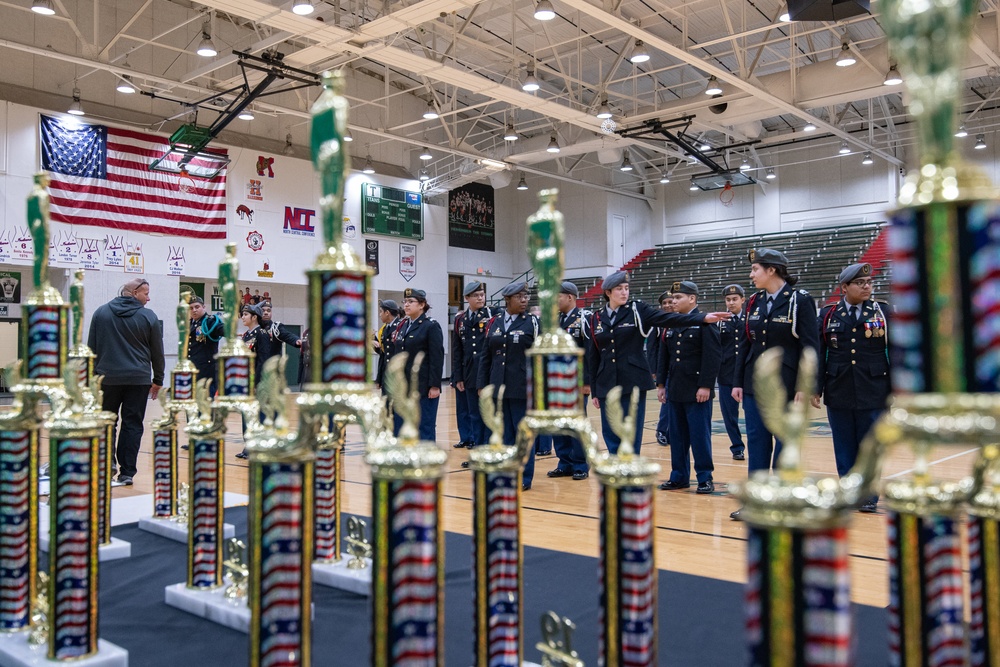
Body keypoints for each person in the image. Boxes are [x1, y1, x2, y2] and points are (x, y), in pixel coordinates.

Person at [588, 271, 730, 456]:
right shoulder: (596, 318)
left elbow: (668, 319)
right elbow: (594, 356)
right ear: (608, 292)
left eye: (626, 288)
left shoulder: (637, 310)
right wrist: (594, 389)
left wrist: (701, 318)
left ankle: (631, 474)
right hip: (606, 382)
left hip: (633, 381)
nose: (624, 293)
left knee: (631, 432)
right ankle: (615, 472)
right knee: (610, 431)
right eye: (619, 289)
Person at [731, 248, 819, 520]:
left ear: (772, 270)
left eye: (755, 269)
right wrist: (737, 382)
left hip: (787, 384)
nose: (751, 274)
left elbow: (810, 346)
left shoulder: (799, 300)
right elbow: (745, 344)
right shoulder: (754, 301)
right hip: (754, 384)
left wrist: (807, 387)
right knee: (757, 441)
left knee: (784, 442)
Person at [812, 263, 889, 513]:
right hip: (839, 388)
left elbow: (896, 352)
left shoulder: (882, 311)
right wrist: (816, 387)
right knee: (843, 446)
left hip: (874, 389)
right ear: (845, 287)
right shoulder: (828, 314)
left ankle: (868, 495)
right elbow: (819, 352)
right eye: (860, 283)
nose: (866, 286)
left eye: (869, 283)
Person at [87, 278, 165, 486]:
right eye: (145, 293)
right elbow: (157, 351)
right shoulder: (148, 316)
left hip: (106, 379)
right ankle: (127, 472)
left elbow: (91, 349)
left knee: (106, 423)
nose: (148, 298)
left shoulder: (100, 313)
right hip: (138, 380)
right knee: (132, 425)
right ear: (133, 292)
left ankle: (105, 465)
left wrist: (91, 380)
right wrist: (158, 379)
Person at [656, 281, 721, 494]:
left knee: (699, 436)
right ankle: (679, 476)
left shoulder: (706, 323)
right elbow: (663, 356)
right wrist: (661, 384)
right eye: (672, 298)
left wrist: (706, 386)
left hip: (696, 390)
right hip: (675, 388)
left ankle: (704, 477)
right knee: (677, 436)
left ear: (692, 299)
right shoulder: (670, 324)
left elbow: (712, 357)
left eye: (678, 298)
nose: (673, 302)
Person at [476, 281, 539, 489]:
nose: (524, 300)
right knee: (503, 434)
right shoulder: (494, 322)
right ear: (507, 300)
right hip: (498, 387)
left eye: (526, 296)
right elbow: (486, 356)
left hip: (523, 388)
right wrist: (482, 384)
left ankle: (524, 476)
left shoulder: (533, 322)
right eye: (519, 297)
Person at [548, 281, 591, 480]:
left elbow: (590, 353)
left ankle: (580, 464)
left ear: (570, 297)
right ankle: (564, 462)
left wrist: (587, 381)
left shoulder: (584, 319)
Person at [393, 288, 444, 442]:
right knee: (400, 425)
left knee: (424, 427)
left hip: (423, 387)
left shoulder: (430, 326)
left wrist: (435, 385)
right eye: (405, 302)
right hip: (403, 387)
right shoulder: (402, 326)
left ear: (422, 305)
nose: (406, 305)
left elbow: (437, 357)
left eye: (411, 302)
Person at [451, 281, 493, 450]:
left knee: (487, 413)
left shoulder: (492, 316)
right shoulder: (460, 319)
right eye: (476, 295)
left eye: (482, 294)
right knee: (473, 414)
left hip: (487, 372)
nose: (480, 298)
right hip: (468, 373)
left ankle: (488, 447)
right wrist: (458, 376)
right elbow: (457, 350)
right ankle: (476, 446)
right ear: (467, 298)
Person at [235, 303, 272, 459]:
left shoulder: (262, 334)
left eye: (245, 314)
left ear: (254, 317)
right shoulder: (246, 336)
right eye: (242, 314)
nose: (242, 317)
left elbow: (263, 361)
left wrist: (257, 383)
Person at [718, 284, 747, 461]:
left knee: (752, 414)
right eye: (728, 300)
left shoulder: (750, 318)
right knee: (729, 415)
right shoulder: (720, 321)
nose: (731, 302)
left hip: (746, 373)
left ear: (742, 300)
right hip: (726, 373)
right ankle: (737, 447)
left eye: (734, 299)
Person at [647, 291, 674, 447]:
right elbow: (651, 348)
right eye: (664, 303)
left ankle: (670, 432)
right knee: (667, 401)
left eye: (670, 302)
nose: (667, 305)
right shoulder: (657, 323)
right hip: (664, 368)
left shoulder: (681, 319)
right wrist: (654, 370)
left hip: (678, 368)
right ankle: (662, 430)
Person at [188, 296, 224, 396]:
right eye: (191, 308)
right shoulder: (191, 323)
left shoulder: (209, 321)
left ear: (204, 307)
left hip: (206, 373)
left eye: (197, 307)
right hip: (193, 372)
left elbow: (222, 329)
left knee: (205, 407)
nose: (194, 310)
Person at [374, 299, 401, 390]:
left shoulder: (401, 327)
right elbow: (384, 354)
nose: (379, 314)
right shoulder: (386, 329)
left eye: (381, 311)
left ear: (387, 313)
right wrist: (379, 378)